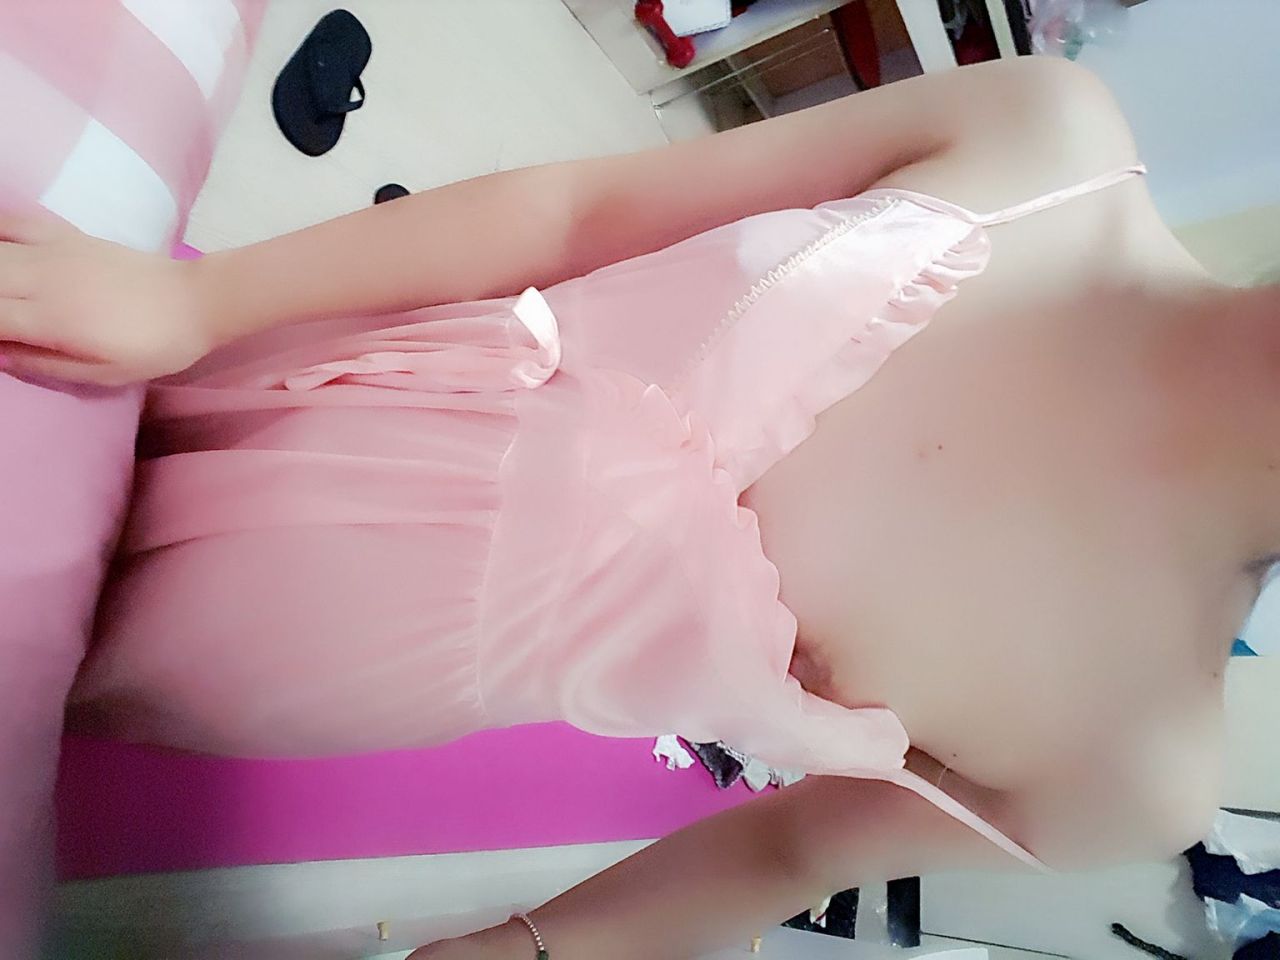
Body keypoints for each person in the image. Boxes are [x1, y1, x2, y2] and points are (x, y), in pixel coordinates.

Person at [0, 57, 1261, 959]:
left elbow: (782, 856)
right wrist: (197, 304)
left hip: (310, 652)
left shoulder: (1137, 771)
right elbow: (577, 213)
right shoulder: (1050, 139)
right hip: (318, 363)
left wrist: (526, 948)